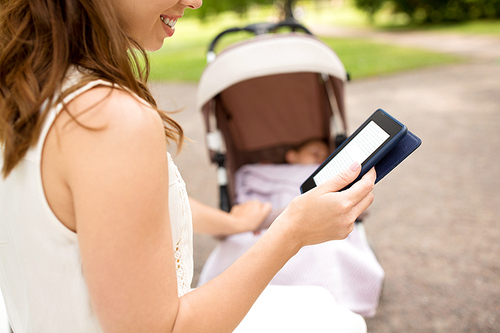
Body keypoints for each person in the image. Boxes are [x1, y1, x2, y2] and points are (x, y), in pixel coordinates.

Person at [0, 1, 376, 332]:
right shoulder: (109, 121)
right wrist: (292, 232)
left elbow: (114, 214)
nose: (195, 1)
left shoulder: (24, 86)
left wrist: (232, 223)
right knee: (331, 318)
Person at [198, 139, 385, 317]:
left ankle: (324, 309)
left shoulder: (329, 176)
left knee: (326, 249)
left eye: (327, 156)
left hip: (305, 223)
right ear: (292, 156)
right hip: (261, 223)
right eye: (314, 153)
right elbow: (247, 205)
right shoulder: (259, 173)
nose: (321, 159)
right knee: (239, 247)